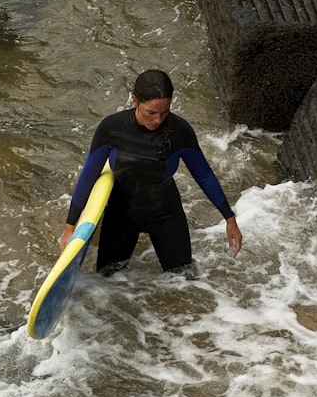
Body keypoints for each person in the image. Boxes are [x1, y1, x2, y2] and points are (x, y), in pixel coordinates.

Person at [60, 69, 242, 277]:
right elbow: (88, 176)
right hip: (121, 214)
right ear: (134, 100)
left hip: (165, 214)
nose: (158, 120)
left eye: (164, 113)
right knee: (107, 282)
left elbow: (204, 175)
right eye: (151, 113)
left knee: (184, 283)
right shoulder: (112, 128)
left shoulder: (181, 132)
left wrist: (229, 218)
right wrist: (70, 228)